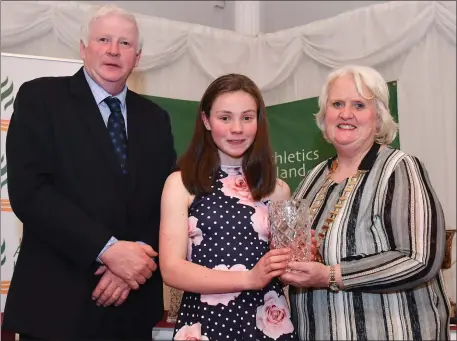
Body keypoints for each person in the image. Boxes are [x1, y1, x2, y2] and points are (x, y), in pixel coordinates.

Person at [3, 4, 176, 341]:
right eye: (103, 39)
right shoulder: (40, 98)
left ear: (137, 57)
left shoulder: (156, 118)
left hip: (133, 305)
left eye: (125, 43)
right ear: (84, 48)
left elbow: (166, 199)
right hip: (57, 306)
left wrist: (134, 264)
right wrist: (108, 250)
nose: (113, 50)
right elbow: (30, 192)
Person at [280, 65, 451, 340]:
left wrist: (330, 275)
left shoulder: (400, 168)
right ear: (325, 115)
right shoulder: (314, 177)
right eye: (337, 104)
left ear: (379, 117)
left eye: (359, 105)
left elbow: (420, 259)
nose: (346, 113)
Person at [159, 74, 298, 340]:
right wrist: (249, 278)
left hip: (269, 323)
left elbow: (284, 270)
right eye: (225, 118)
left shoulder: (277, 189)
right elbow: (172, 269)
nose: (237, 128)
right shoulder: (181, 184)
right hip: (206, 325)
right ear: (206, 121)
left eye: (247, 118)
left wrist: (298, 256)